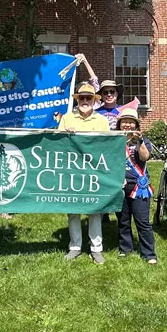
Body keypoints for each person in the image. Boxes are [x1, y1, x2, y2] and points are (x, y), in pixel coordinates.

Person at [58, 82, 111, 263]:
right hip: (72, 170)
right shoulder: (67, 118)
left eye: (89, 98)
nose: (85, 101)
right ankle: (75, 247)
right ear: (77, 100)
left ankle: (96, 249)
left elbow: (107, 145)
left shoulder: (102, 120)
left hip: (94, 170)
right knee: (73, 209)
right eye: (82, 98)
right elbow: (57, 143)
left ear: (94, 100)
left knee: (94, 210)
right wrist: (66, 134)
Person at [115, 107, 157, 264]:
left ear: (136, 125)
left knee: (142, 221)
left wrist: (139, 141)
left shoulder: (142, 140)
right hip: (120, 185)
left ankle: (149, 253)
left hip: (139, 187)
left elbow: (145, 157)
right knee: (123, 220)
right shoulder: (113, 140)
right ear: (119, 124)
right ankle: (125, 248)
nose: (127, 125)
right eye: (124, 122)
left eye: (130, 122)